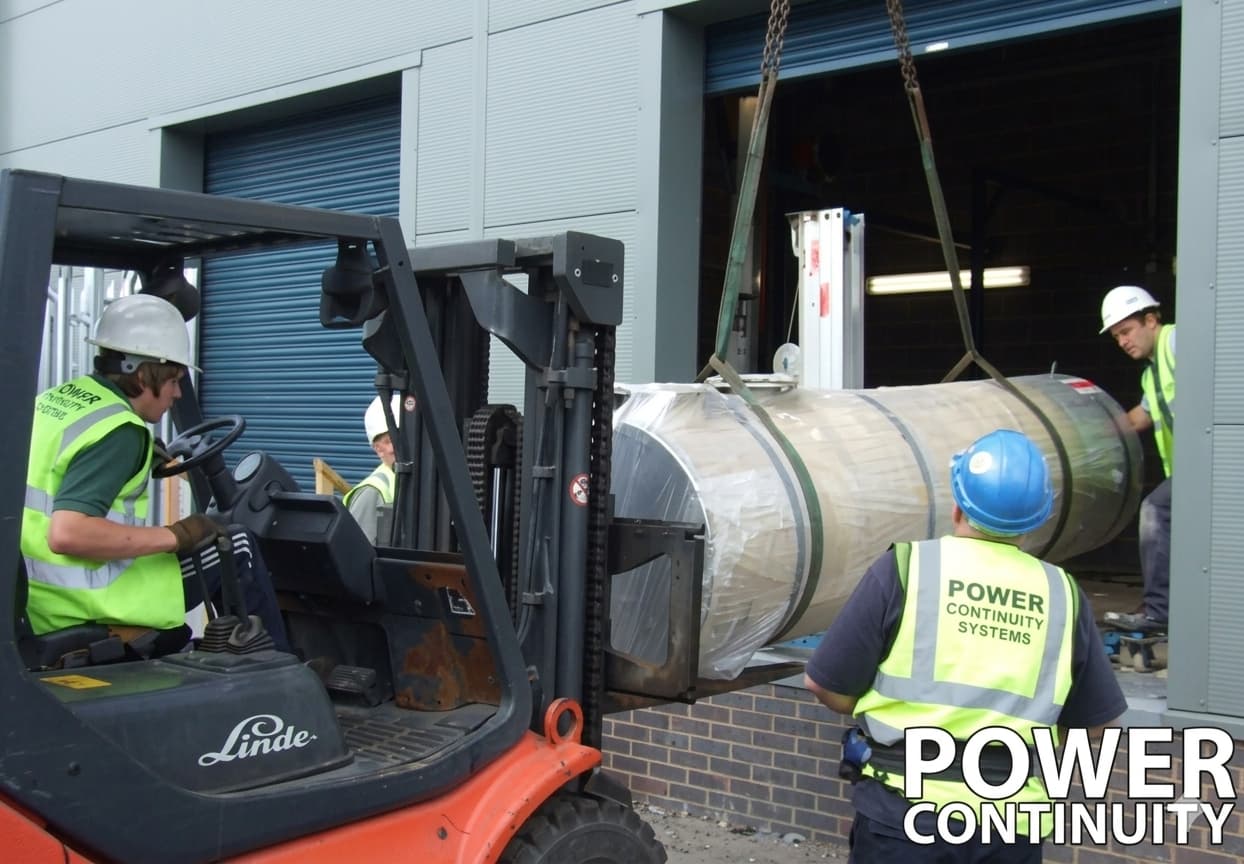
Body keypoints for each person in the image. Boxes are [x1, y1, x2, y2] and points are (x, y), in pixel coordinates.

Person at [804, 429, 1126, 862]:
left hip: (904, 816)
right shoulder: (1062, 595)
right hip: (1008, 824)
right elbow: (1096, 723)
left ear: (957, 504)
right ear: (1038, 519)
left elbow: (825, 684)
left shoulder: (906, 568)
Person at [21, 293, 289, 653]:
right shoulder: (119, 433)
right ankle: (278, 671)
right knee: (238, 543)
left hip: (33, 593)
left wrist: (145, 458)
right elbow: (68, 533)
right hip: (81, 600)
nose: (177, 393)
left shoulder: (57, 401)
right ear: (144, 373)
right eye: (174, 379)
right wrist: (175, 535)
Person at [1098, 285, 1174, 633]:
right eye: (1116, 336)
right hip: (1194, 472)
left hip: (1215, 465)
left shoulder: (1176, 343)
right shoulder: (1151, 372)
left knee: (1155, 510)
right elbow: (1142, 416)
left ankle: (1159, 611)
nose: (1123, 341)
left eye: (1126, 331)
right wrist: (1097, 430)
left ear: (1151, 320)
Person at [344, 394, 403, 544]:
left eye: (402, 436)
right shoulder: (371, 492)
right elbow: (356, 549)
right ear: (378, 449)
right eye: (390, 440)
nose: (399, 445)